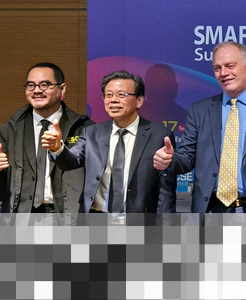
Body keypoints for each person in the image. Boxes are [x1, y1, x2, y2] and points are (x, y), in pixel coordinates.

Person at [153, 41, 246, 214]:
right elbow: (187, 157)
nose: (223, 73)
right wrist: (169, 161)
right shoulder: (200, 110)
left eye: (230, 66)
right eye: (217, 68)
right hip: (211, 211)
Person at [43, 70, 176, 219]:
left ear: (139, 100)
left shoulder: (159, 135)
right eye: (109, 95)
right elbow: (70, 161)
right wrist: (57, 148)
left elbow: (166, 190)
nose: (113, 100)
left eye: (121, 95)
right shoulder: (92, 133)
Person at [0, 63, 94, 225]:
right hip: (22, 218)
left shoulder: (83, 128)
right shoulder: (10, 129)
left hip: (67, 218)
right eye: (31, 85)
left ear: (62, 89)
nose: (36, 90)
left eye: (44, 85)